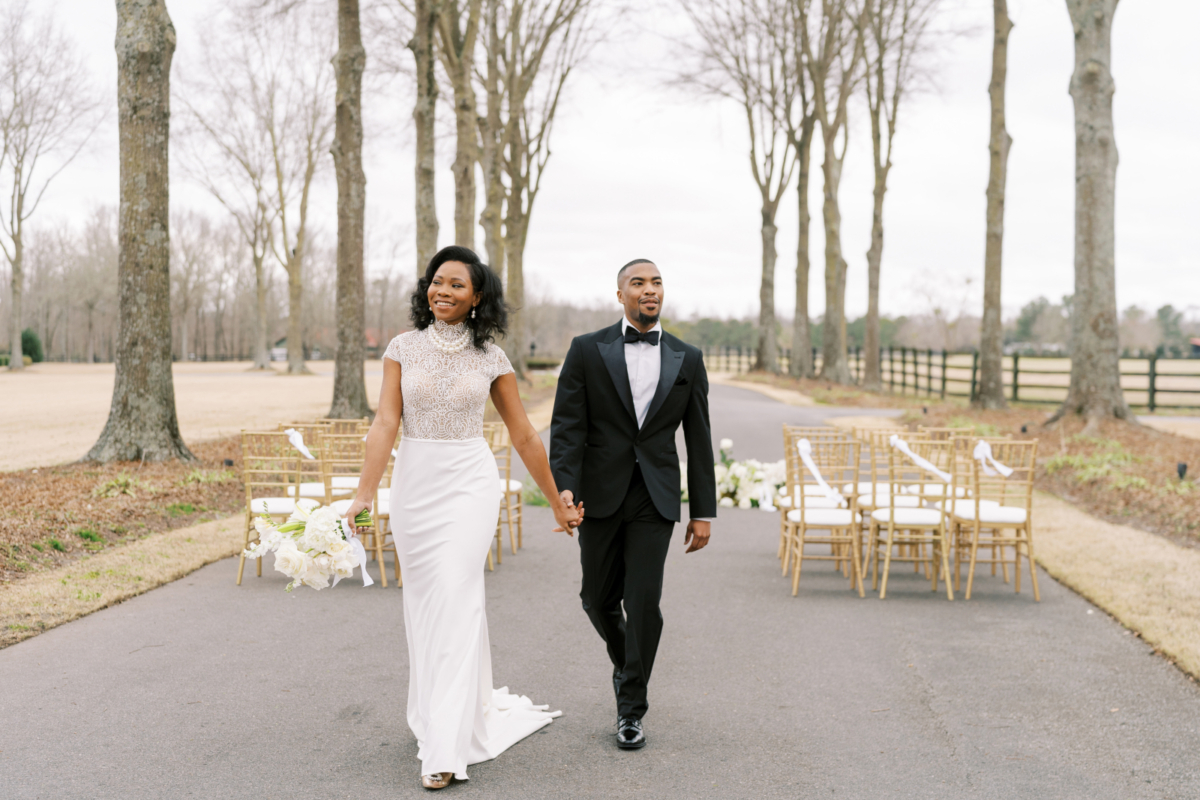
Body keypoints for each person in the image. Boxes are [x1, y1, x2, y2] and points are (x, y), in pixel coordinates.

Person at [345, 245, 583, 790]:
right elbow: (385, 423)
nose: (443, 292)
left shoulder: (492, 358)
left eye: (456, 285)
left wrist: (556, 499)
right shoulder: (402, 348)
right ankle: (437, 712)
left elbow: (523, 434)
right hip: (415, 486)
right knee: (428, 606)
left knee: (458, 596)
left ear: (478, 298)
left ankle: (445, 750)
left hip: (470, 485)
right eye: (436, 282)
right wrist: (364, 494)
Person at [549, 258, 717, 750]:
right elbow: (567, 429)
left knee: (643, 601)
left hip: (656, 498)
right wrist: (565, 490)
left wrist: (702, 512)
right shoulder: (586, 350)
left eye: (657, 282)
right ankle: (631, 666)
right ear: (620, 294)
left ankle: (631, 708)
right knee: (597, 600)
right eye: (638, 283)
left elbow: (699, 439)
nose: (650, 290)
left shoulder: (688, 357)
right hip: (598, 495)